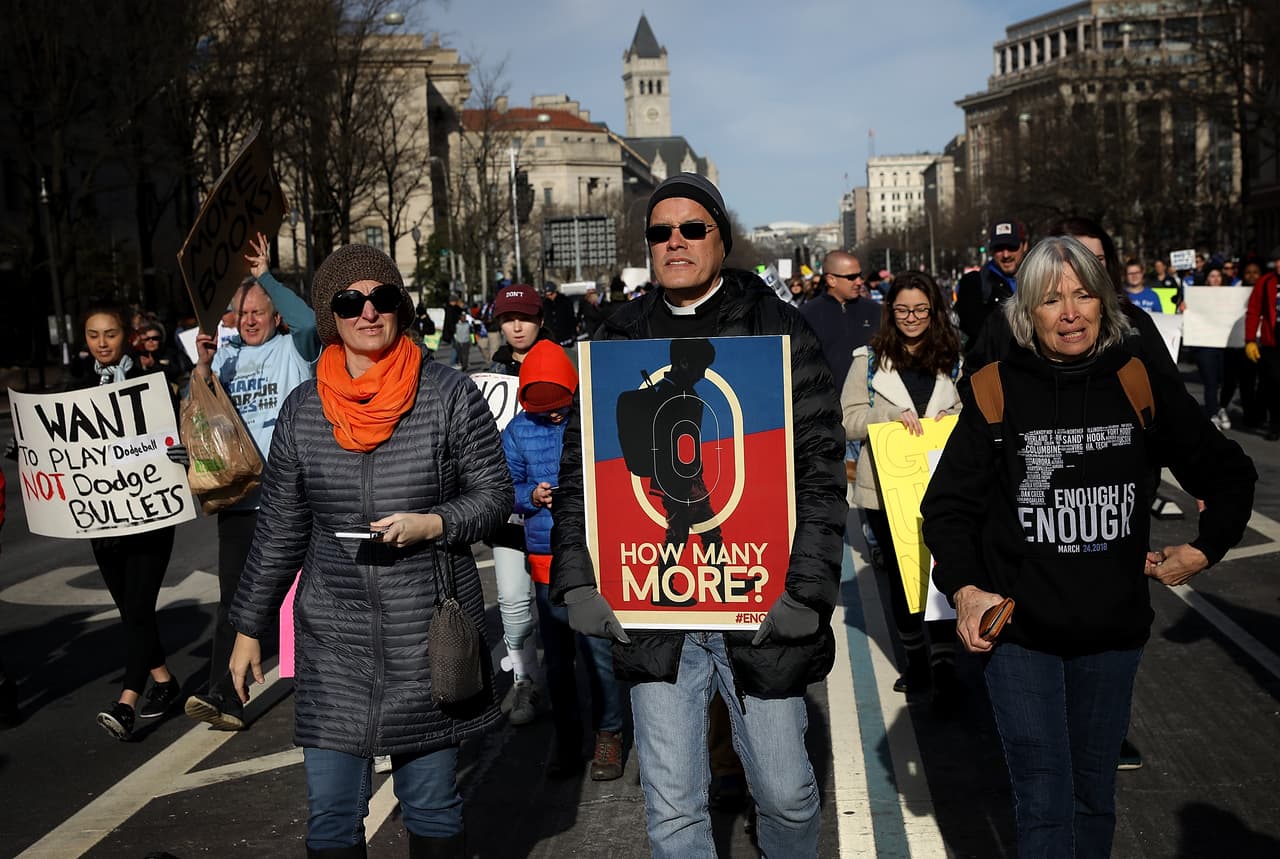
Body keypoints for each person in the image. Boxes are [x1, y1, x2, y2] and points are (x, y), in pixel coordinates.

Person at [921, 236, 1256, 858]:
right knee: (1044, 802)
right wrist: (967, 591)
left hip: (1112, 632)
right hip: (1019, 635)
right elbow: (946, 509)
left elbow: (1229, 473)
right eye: (1051, 300)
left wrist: (1206, 549)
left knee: (1092, 796)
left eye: (1082, 296)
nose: (1070, 313)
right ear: (1027, 313)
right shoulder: (995, 388)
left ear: (1104, 304)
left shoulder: (1136, 381)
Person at [551, 173, 845, 858]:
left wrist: (807, 592)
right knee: (674, 810)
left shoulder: (779, 328)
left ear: (721, 237)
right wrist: (577, 580)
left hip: (762, 606)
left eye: (691, 228)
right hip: (654, 610)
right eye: (660, 232)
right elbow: (579, 478)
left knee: (788, 792)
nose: (675, 242)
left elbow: (822, 472)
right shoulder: (616, 337)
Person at [227, 244, 511, 856]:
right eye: (350, 302)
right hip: (333, 639)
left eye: (381, 298)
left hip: (426, 638)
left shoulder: (447, 392)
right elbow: (279, 526)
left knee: (432, 807)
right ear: (331, 317)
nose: (367, 312)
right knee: (330, 816)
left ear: (399, 307)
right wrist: (250, 628)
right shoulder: (303, 409)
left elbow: (494, 496)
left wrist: (432, 524)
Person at [183, 231, 320, 731]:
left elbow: (309, 320)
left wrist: (265, 277)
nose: (249, 321)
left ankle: (324, 686)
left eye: (258, 312)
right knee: (235, 598)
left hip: (292, 496)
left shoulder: (295, 348)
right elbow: (195, 416)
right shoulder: (224, 359)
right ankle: (226, 696)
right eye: (241, 315)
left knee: (307, 598)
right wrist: (201, 366)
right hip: (240, 500)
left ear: (274, 315)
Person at [503, 340, 626, 780]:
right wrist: (530, 496)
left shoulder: (593, 420)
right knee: (557, 658)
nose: (553, 414)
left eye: (560, 406)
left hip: (592, 551)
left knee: (600, 651)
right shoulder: (517, 431)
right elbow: (505, 488)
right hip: (543, 555)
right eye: (543, 407)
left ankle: (609, 733)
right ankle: (569, 739)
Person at [63, 301, 186, 740]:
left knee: (137, 606)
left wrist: (180, 451)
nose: (101, 343)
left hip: (150, 516)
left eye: (109, 334)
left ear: (125, 337)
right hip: (104, 522)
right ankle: (166, 682)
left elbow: (177, 430)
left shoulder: (151, 382)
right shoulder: (73, 388)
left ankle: (127, 701)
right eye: (93, 335)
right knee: (130, 610)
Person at [841, 271, 963, 709]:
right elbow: (846, 418)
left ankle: (945, 662)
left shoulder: (953, 357)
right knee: (901, 572)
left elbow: (966, 412)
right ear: (890, 312)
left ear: (934, 311)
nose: (912, 318)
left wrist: (950, 419)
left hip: (940, 484)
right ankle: (916, 659)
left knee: (941, 571)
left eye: (920, 310)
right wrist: (886, 421)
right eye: (903, 310)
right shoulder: (869, 360)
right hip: (885, 488)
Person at [487, 282, 555, 726]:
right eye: (509, 318)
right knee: (512, 597)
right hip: (508, 506)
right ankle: (524, 682)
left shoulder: (560, 368)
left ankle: (569, 680)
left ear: (540, 321)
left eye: (526, 317)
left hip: (552, 512)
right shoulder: (484, 379)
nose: (516, 325)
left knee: (557, 606)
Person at [799, 251, 879, 389]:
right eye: (852, 277)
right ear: (831, 280)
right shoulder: (806, 314)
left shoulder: (876, 311)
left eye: (860, 275)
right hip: (826, 402)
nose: (859, 282)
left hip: (870, 402)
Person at [953, 217, 1027, 345]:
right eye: (999, 248)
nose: (1005, 255)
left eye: (1011, 247)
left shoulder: (1040, 280)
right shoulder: (973, 283)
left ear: (1025, 246)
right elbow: (972, 329)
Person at [1244, 245, 1280, 441]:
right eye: (1278, 261)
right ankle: (1274, 423)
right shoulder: (1265, 282)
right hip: (1272, 341)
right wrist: (1250, 340)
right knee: (1274, 383)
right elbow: (1253, 311)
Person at [541, 282, 578, 346]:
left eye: (551, 294)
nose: (549, 297)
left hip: (565, 337)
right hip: (550, 338)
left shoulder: (565, 302)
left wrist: (573, 334)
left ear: (555, 292)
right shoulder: (544, 304)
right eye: (547, 295)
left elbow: (571, 319)